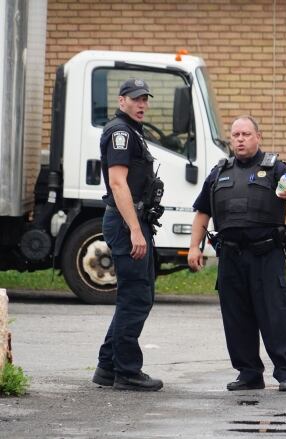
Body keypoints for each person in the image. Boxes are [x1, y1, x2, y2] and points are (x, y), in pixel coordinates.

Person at [187, 116, 286, 392]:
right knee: (236, 317)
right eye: (235, 135)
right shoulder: (219, 172)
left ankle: (285, 373)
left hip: (266, 254)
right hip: (230, 257)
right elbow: (202, 213)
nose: (240, 139)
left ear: (258, 137)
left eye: (246, 134)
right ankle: (249, 373)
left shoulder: (277, 168)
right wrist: (194, 247)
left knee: (275, 315)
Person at [92, 78, 164, 391]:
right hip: (127, 223)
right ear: (121, 101)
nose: (141, 104)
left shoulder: (132, 131)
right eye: (135, 99)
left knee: (136, 296)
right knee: (136, 297)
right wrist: (135, 230)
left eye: (145, 99)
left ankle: (108, 366)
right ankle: (127, 371)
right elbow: (118, 183)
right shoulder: (120, 132)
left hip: (133, 221)